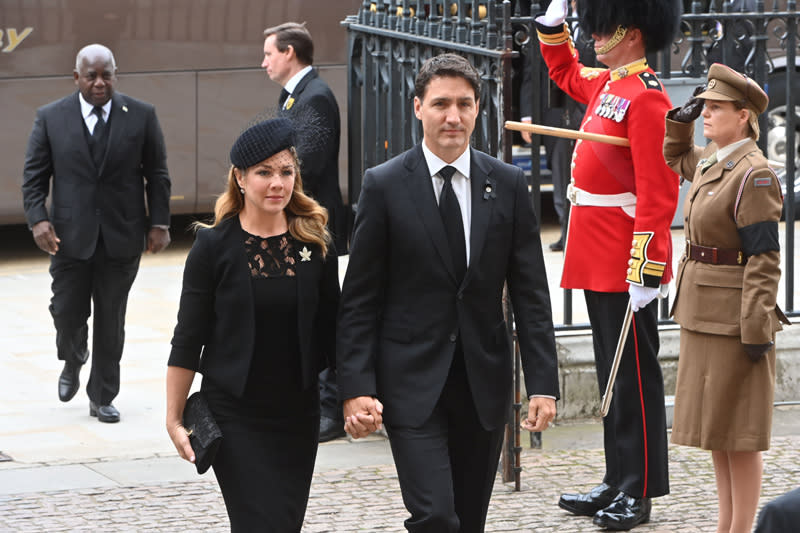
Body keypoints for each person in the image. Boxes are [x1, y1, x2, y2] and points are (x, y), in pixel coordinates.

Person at [337, 53, 560, 533]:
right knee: (436, 516)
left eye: (464, 104)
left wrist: (542, 381)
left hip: (482, 385)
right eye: (440, 104)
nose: (453, 116)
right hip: (410, 385)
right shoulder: (384, 185)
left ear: (479, 109)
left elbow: (531, 294)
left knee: (468, 519)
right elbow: (358, 299)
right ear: (418, 108)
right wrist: (355, 387)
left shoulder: (507, 184)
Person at [535, 0, 681, 529]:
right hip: (596, 249)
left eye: (606, 27)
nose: (595, 36)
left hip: (624, 255)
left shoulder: (647, 99)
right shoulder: (609, 84)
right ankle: (616, 477)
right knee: (610, 373)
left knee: (635, 379)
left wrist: (646, 268)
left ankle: (638, 490)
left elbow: (658, 194)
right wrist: (553, 30)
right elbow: (567, 70)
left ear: (635, 32)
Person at [165, 117, 340, 532]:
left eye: (285, 171)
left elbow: (336, 329)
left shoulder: (314, 243)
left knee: (284, 524)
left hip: (297, 415)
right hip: (235, 415)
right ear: (240, 178)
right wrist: (173, 418)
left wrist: (355, 395)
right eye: (264, 172)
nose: (276, 182)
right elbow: (188, 338)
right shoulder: (212, 248)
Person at [663, 62, 790, 533]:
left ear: (744, 117)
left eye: (716, 108)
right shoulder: (716, 161)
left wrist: (756, 326)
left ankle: (742, 527)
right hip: (702, 311)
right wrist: (681, 119)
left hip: (736, 319)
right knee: (718, 430)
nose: (707, 115)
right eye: (705, 107)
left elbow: (764, 258)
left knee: (740, 435)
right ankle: (726, 524)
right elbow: (677, 158)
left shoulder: (754, 175)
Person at [21, 43, 171, 423]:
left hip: (121, 237)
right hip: (68, 238)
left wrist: (159, 223)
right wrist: (38, 220)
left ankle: (102, 395)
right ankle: (73, 357)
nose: (100, 83)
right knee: (66, 312)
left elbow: (157, 174)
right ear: (77, 78)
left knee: (111, 319)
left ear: (115, 75)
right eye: (92, 76)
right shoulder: (51, 118)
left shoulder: (141, 115)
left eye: (107, 75)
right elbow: (34, 177)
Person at [261, 21, 347, 442]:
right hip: (301, 225)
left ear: (290, 52)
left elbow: (305, 162)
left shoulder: (315, 96)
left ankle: (331, 407)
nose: (264, 62)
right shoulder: (296, 93)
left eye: (269, 54)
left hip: (314, 229)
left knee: (322, 311)